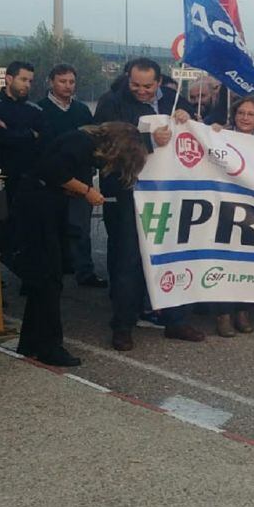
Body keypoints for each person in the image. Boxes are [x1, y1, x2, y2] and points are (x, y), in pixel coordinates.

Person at [13, 123, 148, 366]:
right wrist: (86, 190)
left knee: (47, 279)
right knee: (50, 278)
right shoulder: (81, 143)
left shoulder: (79, 140)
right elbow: (52, 170)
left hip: (44, 204)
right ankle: (49, 346)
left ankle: (32, 341)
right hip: (39, 206)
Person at [93, 57, 204, 351]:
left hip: (170, 193)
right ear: (127, 78)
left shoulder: (170, 97)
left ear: (158, 82)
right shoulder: (111, 103)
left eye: (147, 86)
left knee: (173, 254)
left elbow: (194, 132)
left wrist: (186, 115)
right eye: (135, 85)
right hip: (129, 193)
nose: (141, 91)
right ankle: (123, 325)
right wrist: (149, 141)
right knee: (128, 260)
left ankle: (175, 319)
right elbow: (106, 146)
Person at [38, 63, 107, 288]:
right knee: (50, 228)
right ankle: (49, 274)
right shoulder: (39, 109)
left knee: (80, 229)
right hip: (50, 181)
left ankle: (84, 272)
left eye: (71, 82)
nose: (68, 86)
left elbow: (92, 144)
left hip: (81, 179)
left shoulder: (82, 110)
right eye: (62, 81)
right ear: (51, 82)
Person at [207, 96, 254, 336]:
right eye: (241, 112)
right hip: (224, 207)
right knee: (224, 260)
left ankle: (243, 311)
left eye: (251, 114)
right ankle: (223, 313)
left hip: (253, 210)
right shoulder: (220, 136)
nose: (245, 117)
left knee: (249, 261)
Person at [0, 61, 45, 266]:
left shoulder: (34, 110)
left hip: (25, 180)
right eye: (23, 79)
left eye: (30, 81)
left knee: (25, 231)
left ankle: (29, 281)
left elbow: (40, 139)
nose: (27, 85)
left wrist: (10, 134)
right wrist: (27, 135)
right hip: (1, 180)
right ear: (9, 78)